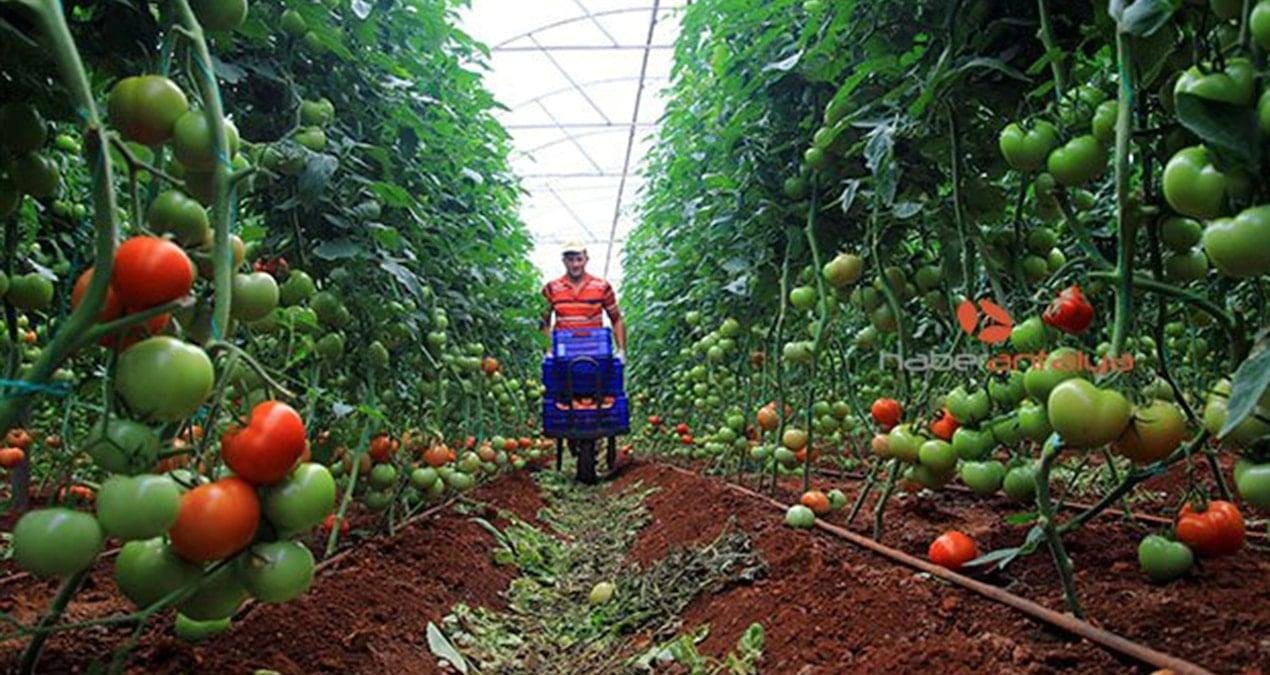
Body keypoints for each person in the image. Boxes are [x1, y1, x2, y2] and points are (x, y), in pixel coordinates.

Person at [540, 241, 626, 360]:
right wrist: (547, 351)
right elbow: (544, 321)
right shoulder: (552, 288)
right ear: (564, 261)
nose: (575, 264)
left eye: (579, 259)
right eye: (570, 260)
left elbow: (616, 319)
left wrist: (621, 350)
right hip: (563, 354)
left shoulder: (601, 286)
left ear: (586, 259)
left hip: (595, 353)